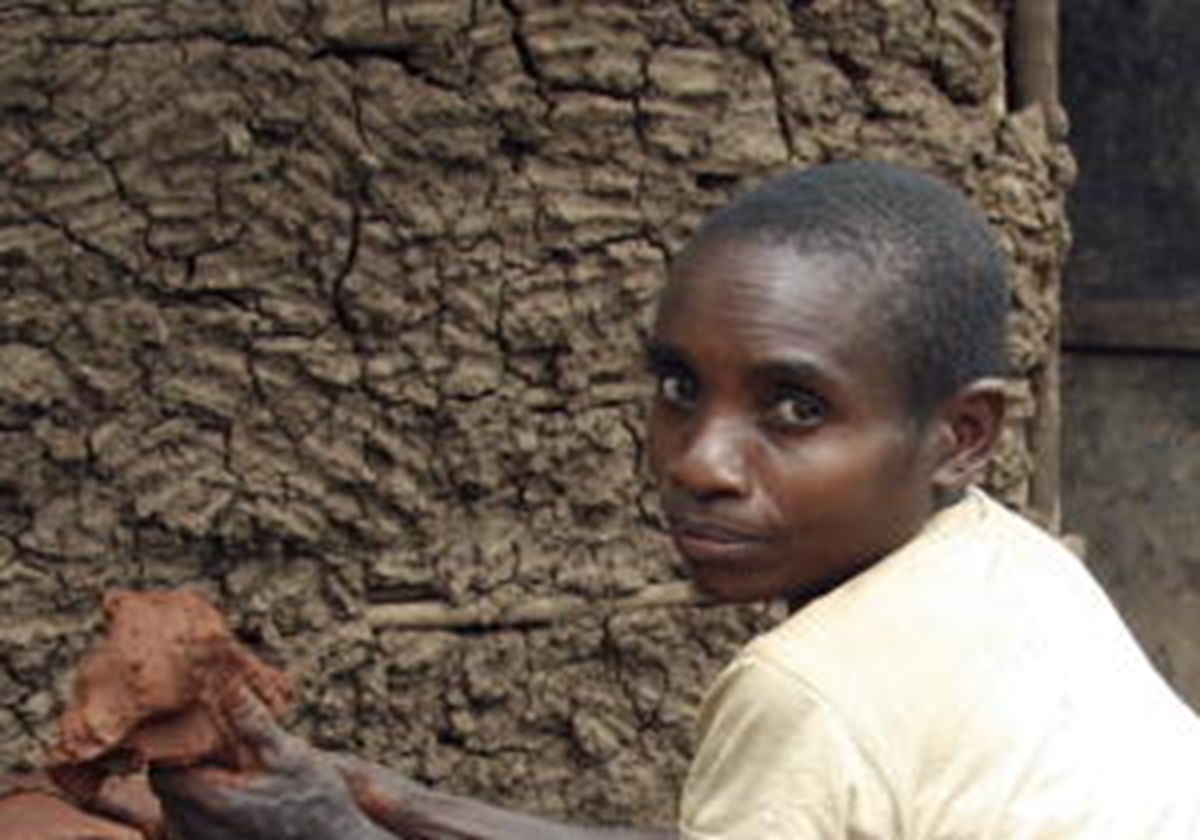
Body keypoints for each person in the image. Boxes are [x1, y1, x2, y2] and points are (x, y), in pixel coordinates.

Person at [152, 161, 1200, 838]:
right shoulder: (1004, 563)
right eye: (677, 388)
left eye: (794, 407)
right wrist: (394, 803)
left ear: (961, 435)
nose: (700, 460)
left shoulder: (812, 689)